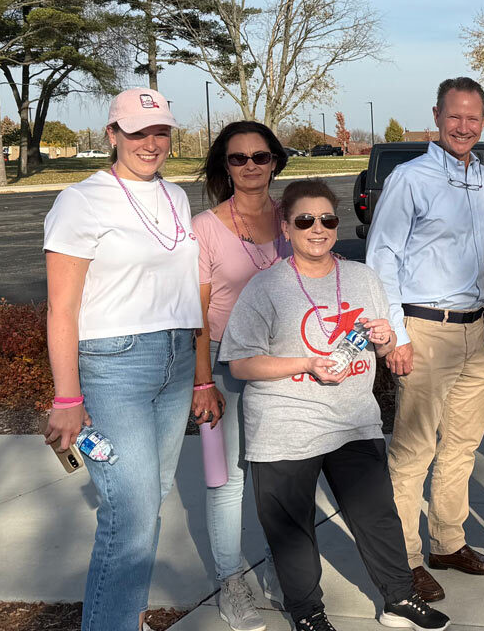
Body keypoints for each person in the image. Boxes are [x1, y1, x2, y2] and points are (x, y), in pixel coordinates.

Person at [221, 180, 450, 631]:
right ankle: (308, 613)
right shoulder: (266, 287)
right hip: (286, 426)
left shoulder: (364, 278)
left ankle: (399, 599)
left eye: (327, 219)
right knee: (293, 531)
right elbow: (242, 364)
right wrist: (308, 362)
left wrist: (385, 341)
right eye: (305, 220)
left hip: (353, 421)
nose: (318, 229)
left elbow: (381, 352)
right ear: (286, 228)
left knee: (377, 516)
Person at [42, 88, 201, 631]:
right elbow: (61, 308)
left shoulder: (176, 197)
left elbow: (186, 291)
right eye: (136, 132)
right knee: (128, 516)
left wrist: (199, 375)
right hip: (115, 365)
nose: (150, 143)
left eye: (160, 132)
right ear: (112, 134)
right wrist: (68, 398)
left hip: (176, 360)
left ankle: (122, 617)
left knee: (147, 503)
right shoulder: (80, 201)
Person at [366, 77, 484, 602]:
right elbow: (381, 259)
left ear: (483, 121)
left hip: (475, 329)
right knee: (413, 450)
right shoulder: (411, 178)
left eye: (473, 118)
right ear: (437, 116)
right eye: (454, 116)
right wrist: (393, 337)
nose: (464, 126)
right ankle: (406, 559)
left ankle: (448, 541)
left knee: (463, 447)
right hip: (424, 329)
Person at [191, 121, 291, 630]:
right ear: (223, 166)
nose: (251, 166)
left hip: (286, 369)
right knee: (225, 481)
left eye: (261, 156)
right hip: (226, 372)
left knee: (279, 475)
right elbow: (197, 313)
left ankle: (284, 570)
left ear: (275, 160)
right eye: (238, 158)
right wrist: (202, 381)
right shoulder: (204, 227)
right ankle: (231, 582)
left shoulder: (293, 217)